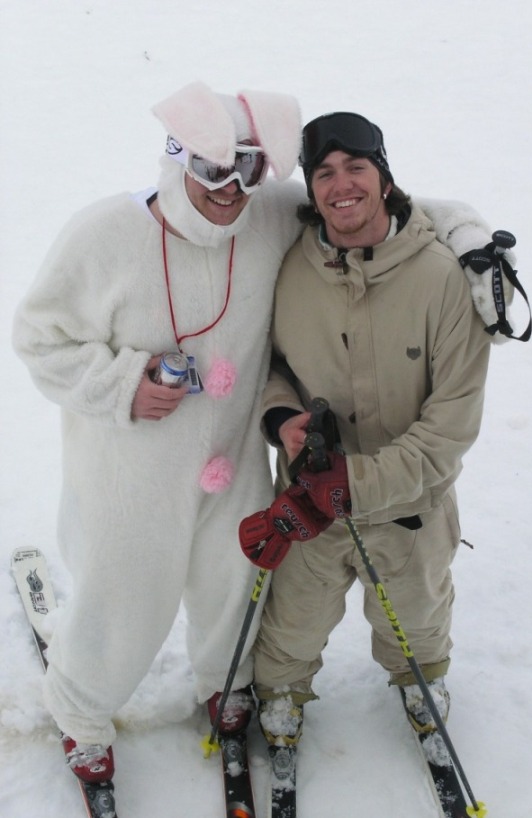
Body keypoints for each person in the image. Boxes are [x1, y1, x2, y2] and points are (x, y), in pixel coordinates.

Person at [11, 80, 307, 783]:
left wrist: (471, 236)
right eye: (211, 168)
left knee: (234, 580)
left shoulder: (269, 217)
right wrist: (122, 385)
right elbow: (38, 340)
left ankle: (224, 680)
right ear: (177, 159)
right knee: (126, 603)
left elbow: (361, 206)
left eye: (248, 168)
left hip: (231, 463)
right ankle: (80, 709)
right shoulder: (104, 235)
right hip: (130, 477)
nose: (231, 188)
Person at [238, 111, 508, 750]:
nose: (341, 186)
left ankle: (421, 680)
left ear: (383, 177)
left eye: (356, 167)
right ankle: (281, 692)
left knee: (417, 617)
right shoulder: (289, 270)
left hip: (412, 505)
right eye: (323, 173)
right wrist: (282, 420)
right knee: (293, 620)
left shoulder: (443, 278)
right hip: (309, 505)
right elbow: (269, 366)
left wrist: (356, 481)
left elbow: (450, 426)